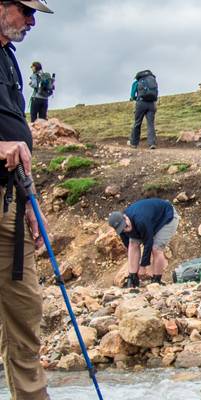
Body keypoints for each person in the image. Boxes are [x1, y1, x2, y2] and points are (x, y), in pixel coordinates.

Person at [0, 2, 54, 398]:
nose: (32, 21)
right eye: (26, 10)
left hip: (12, 202)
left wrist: (32, 204)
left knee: (25, 312)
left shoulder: (9, 59)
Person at [108, 198, 180, 288]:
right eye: (122, 228)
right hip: (151, 220)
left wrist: (143, 266)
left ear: (125, 217)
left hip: (167, 216)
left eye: (125, 225)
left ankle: (156, 281)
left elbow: (148, 242)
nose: (126, 229)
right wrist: (134, 270)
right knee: (133, 243)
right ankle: (132, 279)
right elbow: (128, 245)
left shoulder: (140, 220)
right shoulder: (122, 229)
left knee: (156, 249)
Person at [129, 70, 158, 149]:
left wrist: (135, 98)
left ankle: (134, 143)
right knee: (150, 124)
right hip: (152, 104)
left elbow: (132, 96)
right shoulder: (153, 81)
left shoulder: (136, 83)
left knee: (137, 123)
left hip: (141, 103)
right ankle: (152, 144)